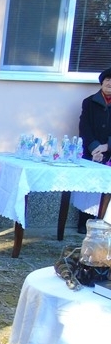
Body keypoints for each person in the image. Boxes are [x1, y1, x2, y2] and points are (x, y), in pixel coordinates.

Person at [76, 67, 111, 233]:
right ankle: (84, 222)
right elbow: (84, 127)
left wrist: (106, 146)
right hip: (92, 151)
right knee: (88, 187)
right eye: (107, 80)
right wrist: (94, 147)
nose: (110, 83)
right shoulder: (89, 102)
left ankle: (105, 222)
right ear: (102, 82)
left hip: (109, 152)